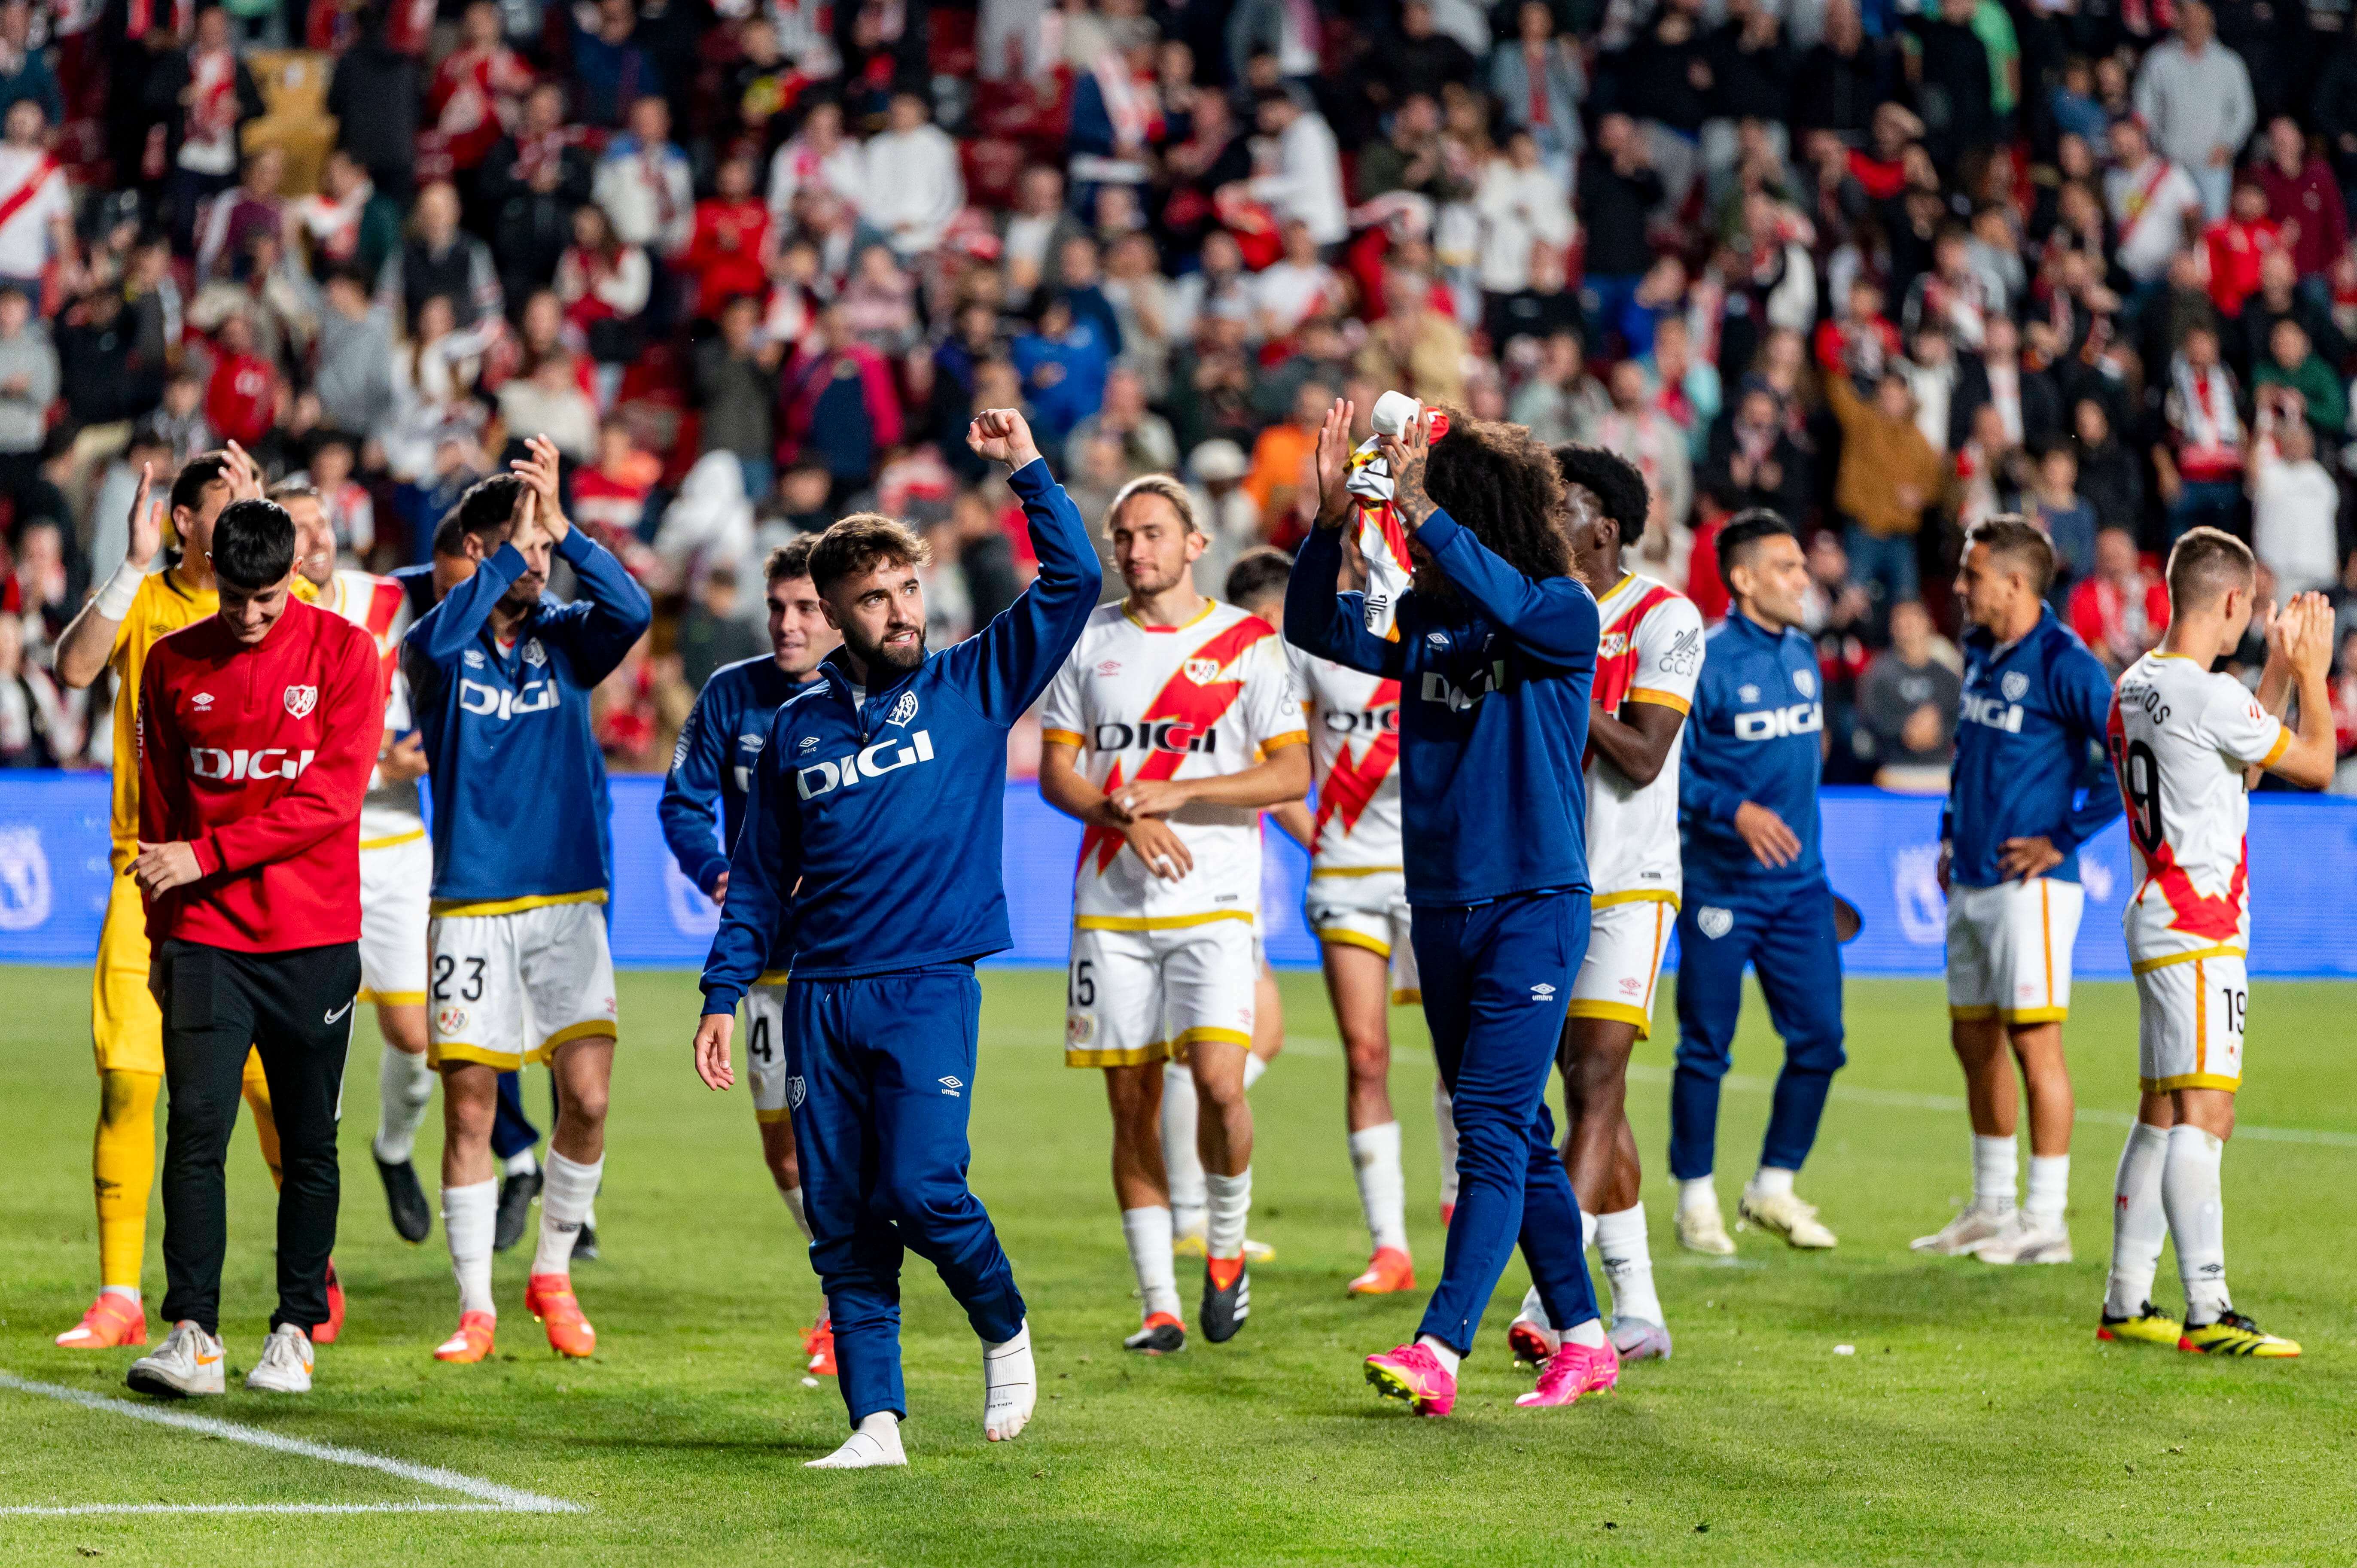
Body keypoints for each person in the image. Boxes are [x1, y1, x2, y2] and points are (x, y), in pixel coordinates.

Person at [693, 408, 1099, 1469]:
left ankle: (1003, 1324)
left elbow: (1071, 587)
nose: (900, 610)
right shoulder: (796, 728)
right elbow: (758, 882)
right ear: (830, 612)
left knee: (920, 1189)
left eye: (909, 588)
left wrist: (1025, 472)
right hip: (820, 992)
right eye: (874, 597)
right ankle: (876, 1421)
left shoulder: (972, 680)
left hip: (924, 985)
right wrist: (722, 991)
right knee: (841, 1219)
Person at [1287, 400, 1614, 1418]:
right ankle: (1587, 1337)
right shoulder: (1425, 621)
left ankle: (1440, 1343)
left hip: (1532, 898)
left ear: (1472, 511)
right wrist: (1327, 520)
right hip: (1440, 902)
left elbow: (1507, 600)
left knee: (1483, 1119)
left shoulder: (1560, 609)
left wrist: (1421, 506)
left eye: (1433, 507)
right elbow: (1310, 623)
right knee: (1515, 1132)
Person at [46, 447, 347, 1351]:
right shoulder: (153, 607)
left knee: (274, 1103)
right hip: (159, 881)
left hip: (279, 894)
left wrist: (263, 518)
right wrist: (131, 563)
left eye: (254, 504)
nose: (244, 513)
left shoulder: (283, 612)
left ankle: (306, 1282)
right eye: (228, 502)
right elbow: (73, 667)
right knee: (137, 1088)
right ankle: (122, 1292)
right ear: (183, 521)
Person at [1038, 475, 1309, 1353]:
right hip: (1111, 903)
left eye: (1152, 532)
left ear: (1196, 544)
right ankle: (1157, 1302)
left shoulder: (1247, 647)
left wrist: (1181, 791)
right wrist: (1118, 811)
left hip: (1216, 900)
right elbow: (1057, 770)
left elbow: (1291, 773)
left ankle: (1223, 1248)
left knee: (1222, 1086)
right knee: (1132, 1101)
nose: (1134, 549)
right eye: (1121, 535)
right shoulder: (1087, 642)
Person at [402, 437, 655, 1365]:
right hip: (471, 900)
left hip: (567, 898)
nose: (535, 560)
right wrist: (510, 539)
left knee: (585, 1097)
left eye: (540, 547)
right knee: (471, 1109)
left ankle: (551, 1268)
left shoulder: (565, 641)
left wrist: (564, 530)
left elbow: (633, 606)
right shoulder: (438, 644)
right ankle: (475, 1306)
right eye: (517, 546)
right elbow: (439, 635)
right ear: (476, 553)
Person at [122, 497, 381, 1398]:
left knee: (311, 1141)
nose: (251, 615)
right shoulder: (170, 662)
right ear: (209, 571)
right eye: (236, 596)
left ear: (298, 572)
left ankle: (294, 1328)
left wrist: (206, 853)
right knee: (195, 1129)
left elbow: (330, 803)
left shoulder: (347, 655)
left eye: (267, 597)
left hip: (313, 937)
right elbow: (161, 812)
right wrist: (163, 931)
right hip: (204, 938)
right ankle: (192, 1331)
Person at [2098, 530, 2335, 1357]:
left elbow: (2245, 761)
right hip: (2201, 927)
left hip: (2156, 913)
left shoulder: (2135, 685)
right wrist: (2311, 668)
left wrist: (2270, 671)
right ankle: (2209, 1309)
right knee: (2208, 1114)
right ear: (2234, 603)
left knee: (2161, 1111)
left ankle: (2127, 1300)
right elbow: (2313, 762)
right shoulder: (2206, 697)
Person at [1495, 445, 1700, 1370]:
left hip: (1628, 881)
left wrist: (1555, 670)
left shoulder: (1664, 617)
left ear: (1604, 528)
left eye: (1560, 507)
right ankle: (1640, 1306)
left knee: (1596, 1078)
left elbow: (1642, 753)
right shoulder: (1531, 610)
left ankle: (1550, 1295)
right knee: (1580, 1096)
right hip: (1540, 879)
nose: (1544, 522)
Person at [1915, 519, 2122, 1267]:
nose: (1960, 587)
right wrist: (1947, 833)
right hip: (1970, 875)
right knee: (1973, 1039)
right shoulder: (1979, 651)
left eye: (1972, 575)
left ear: (2015, 582)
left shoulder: (2066, 661)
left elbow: (2124, 754)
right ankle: (1992, 1205)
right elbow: (1971, 755)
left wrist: (2062, 839)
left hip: (2029, 887)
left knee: (2036, 1043)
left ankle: (2047, 1218)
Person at [658, 535, 840, 1376]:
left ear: (837, 612)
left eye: (805, 607)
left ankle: (852, 1293)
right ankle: (848, 1280)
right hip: (764, 956)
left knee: (848, 1133)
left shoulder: (871, 694)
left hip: (845, 955)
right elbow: (681, 799)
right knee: (784, 1151)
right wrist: (718, 873)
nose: (787, 623)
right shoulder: (732, 693)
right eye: (777, 607)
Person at [1669, 510, 1847, 1255]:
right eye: (1786, 567)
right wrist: (1733, 809)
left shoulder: (1804, 652)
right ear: (1742, 580)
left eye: (1803, 566)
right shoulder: (1703, 659)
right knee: (1706, 1044)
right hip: (1721, 887)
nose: (1803, 579)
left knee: (1822, 1042)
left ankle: (1772, 1187)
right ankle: (1695, 1200)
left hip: (1800, 887)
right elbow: (1665, 769)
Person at [277, 481, 437, 1245]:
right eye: (300, 529)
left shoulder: (386, 599)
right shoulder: (277, 627)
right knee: (314, 1042)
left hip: (400, 849)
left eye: (322, 524)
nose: (317, 540)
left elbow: (448, 652)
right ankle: (316, 1227)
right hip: (318, 849)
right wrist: (385, 766)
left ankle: (395, 1149)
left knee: (416, 1036)